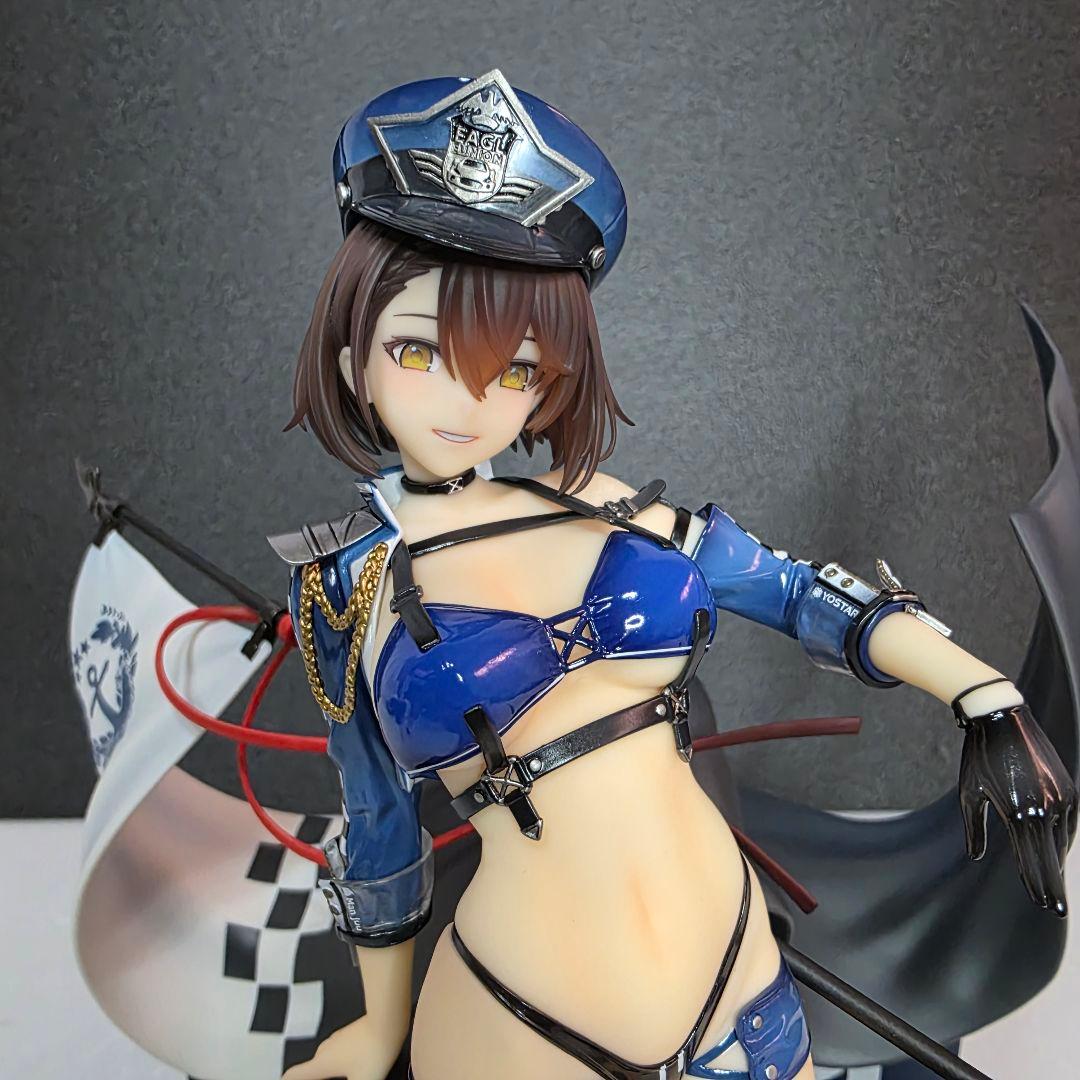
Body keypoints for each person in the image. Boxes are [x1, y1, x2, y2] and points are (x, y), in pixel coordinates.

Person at [270, 70, 1075, 1080]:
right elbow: (379, 829)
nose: (465, 401)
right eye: (418, 352)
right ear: (354, 360)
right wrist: (379, 1026)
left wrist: (985, 696)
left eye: (513, 368)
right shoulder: (347, 584)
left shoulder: (610, 508)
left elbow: (801, 595)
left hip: (739, 989)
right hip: (519, 1032)